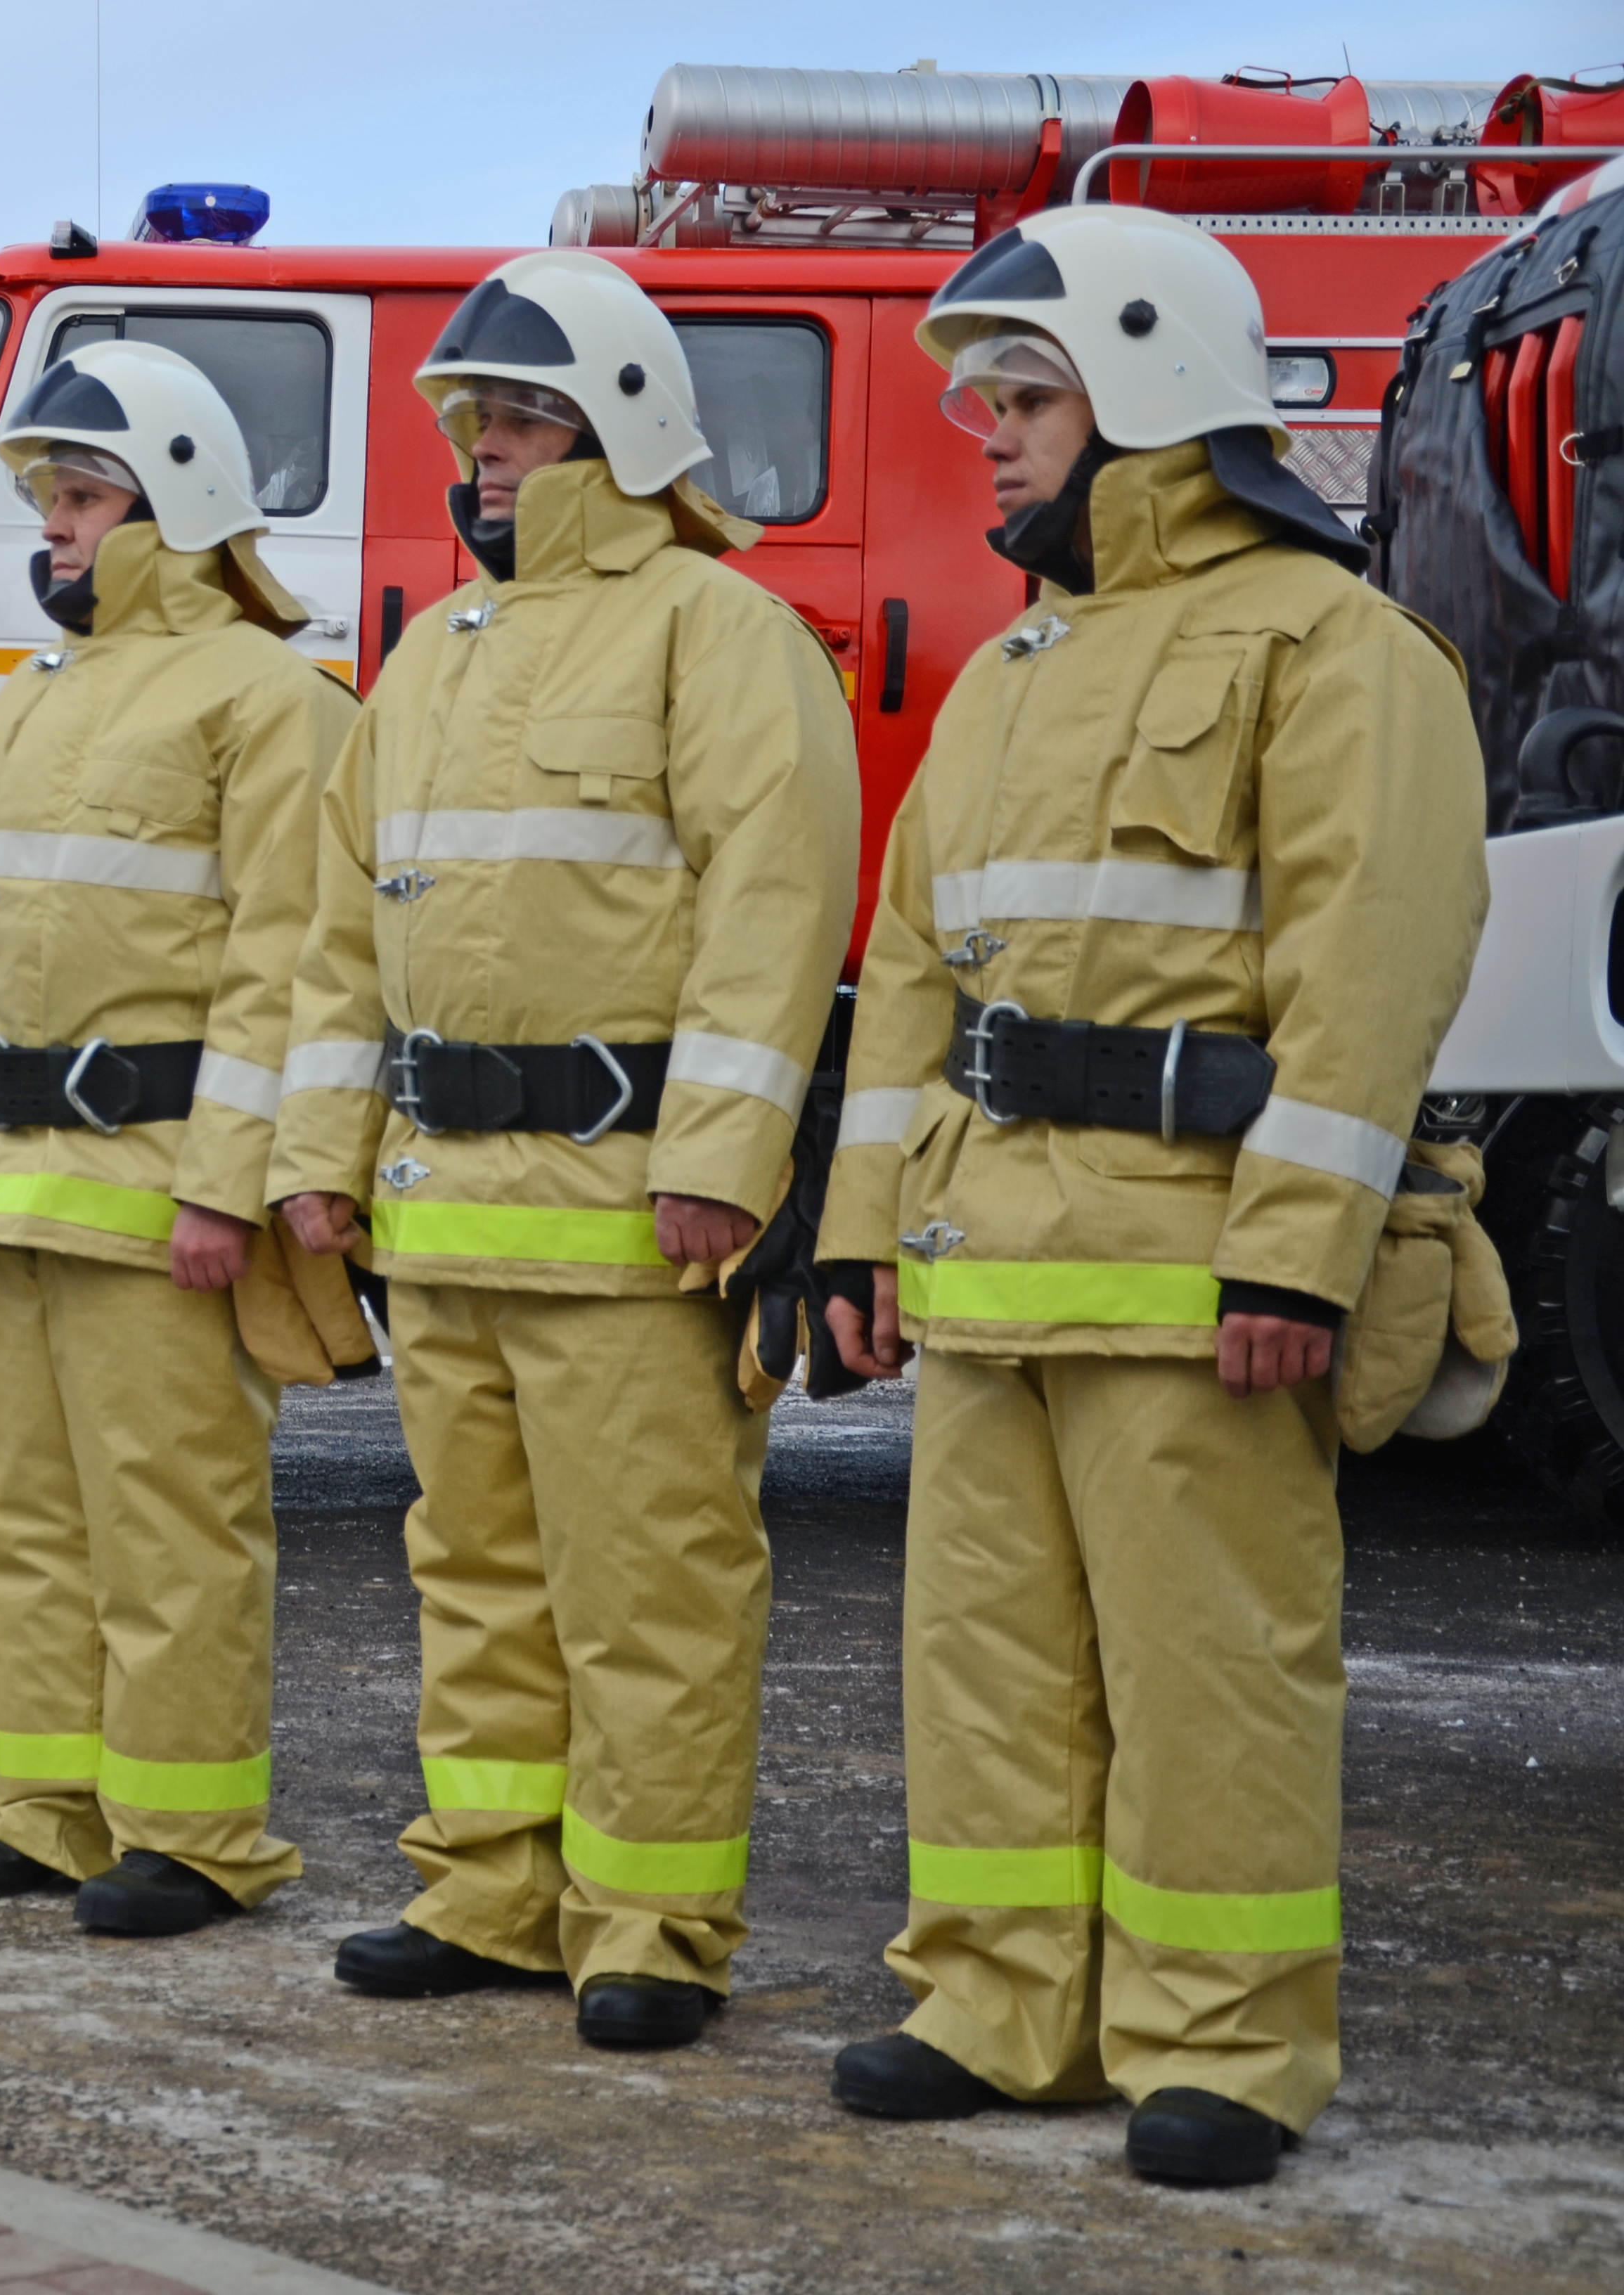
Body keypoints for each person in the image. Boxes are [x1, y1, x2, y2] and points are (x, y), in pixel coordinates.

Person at [811, 205, 1489, 2186]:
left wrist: (1299, 1251)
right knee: (990, 1666)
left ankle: (1226, 2041)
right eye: (984, 396)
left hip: (1199, 1267)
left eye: (1023, 393)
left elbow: (1369, 970)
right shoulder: (1020, 666)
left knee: (1212, 1674)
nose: (985, 431)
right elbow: (918, 965)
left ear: (1154, 384)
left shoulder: (1334, 644)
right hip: (995, 1258)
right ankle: (1001, 2002)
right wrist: (864, 1225)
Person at [270, 253, 858, 2047]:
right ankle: (491, 1889)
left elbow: (777, 907)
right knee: (481, 1578)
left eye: (523, 417)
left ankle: (650, 1927)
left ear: (620, 426)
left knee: (649, 1589)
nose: (489, 451)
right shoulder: (432, 655)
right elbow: (339, 928)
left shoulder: (719, 628)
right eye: (473, 423)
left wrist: (728, 1160)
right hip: (447, 1212)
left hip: (627, 1213)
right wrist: (323, 1148)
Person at [0, 343, 360, 1934]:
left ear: (175, 503)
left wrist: (227, 1184)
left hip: (166, 1180)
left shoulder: (269, 698)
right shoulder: (34, 706)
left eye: (83, 499)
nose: (55, 530)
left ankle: (195, 1834)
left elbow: (283, 955)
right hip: (30, 1181)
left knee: (173, 1524)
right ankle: (51, 1808)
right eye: (47, 502)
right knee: (30, 1521)